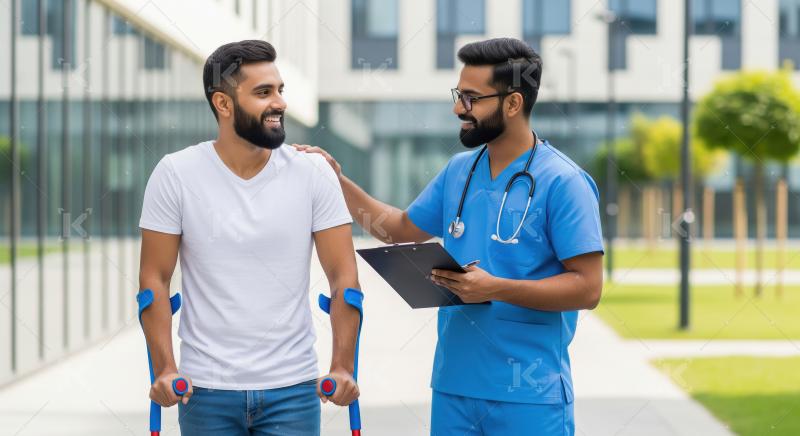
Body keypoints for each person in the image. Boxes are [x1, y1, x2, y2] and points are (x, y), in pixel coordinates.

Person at [296, 37, 604, 435]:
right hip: (454, 389)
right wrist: (336, 181)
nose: (459, 108)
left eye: (472, 98)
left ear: (513, 103)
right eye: (459, 95)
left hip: (530, 394)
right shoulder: (460, 170)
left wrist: (496, 288)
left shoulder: (564, 182)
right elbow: (397, 229)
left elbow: (588, 288)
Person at [138, 40, 361, 436]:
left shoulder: (313, 173)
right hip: (204, 390)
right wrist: (165, 369)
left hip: (292, 389)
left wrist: (342, 366)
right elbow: (154, 280)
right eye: (263, 92)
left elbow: (344, 278)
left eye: (280, 90)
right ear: (223, 104)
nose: (280, 103)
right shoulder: (175, 174)